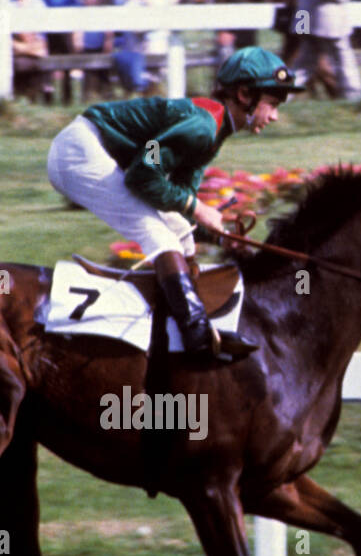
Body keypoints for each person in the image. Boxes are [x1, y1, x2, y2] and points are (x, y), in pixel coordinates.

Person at [46, 46, 302, 362]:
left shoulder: (215, 127)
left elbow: (178, 195)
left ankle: (183, 319)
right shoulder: (203, 125)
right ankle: (196, 335)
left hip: (92, 149)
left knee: (180, 230)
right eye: (273, 104)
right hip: (78, 153)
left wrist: (219, 235)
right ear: (245, 93)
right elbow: (142, 176)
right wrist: (198, 208)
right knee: (161, 236)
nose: (275, 115)